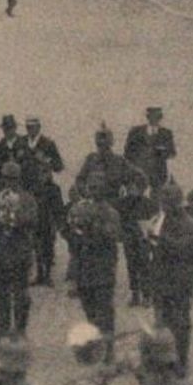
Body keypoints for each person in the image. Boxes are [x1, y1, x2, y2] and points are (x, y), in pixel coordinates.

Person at [76, 125, 153, 308]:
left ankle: (141, 292)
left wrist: (133, 194)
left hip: (118, 210)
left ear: (111, 144)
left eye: (106, 144)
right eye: (99, 144)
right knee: (88, 248)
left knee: (135, 250)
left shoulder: (119, 162)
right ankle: (90, 288)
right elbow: (79, 180)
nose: (102, 148)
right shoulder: (90, 160)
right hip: (95, 211)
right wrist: (85, 193)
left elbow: (141, 178)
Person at [148, 183, 193, 376]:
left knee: (180, 323)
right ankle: (163, 360)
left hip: (180, 280)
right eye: (163, 202)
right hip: (161, 278)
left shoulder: (190, 224)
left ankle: (181, 361)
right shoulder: (162, 220)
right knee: (161, 320)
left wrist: (161, 238)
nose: (164, 206)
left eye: (168, 202)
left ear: (177, 202)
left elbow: (184, 248)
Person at [0, 160, 39, 341]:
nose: (9, 182)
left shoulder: (27, 198)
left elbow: (33, 220)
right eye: (6, 178)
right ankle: (3, 329)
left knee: (21, 293)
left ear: (19, 179)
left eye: (13, 179)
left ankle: (20, 330)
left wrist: (15, 218)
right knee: (1, 292)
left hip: (19, 249)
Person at [63, 179, 121, 338]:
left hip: (102, 266)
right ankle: (96, 340)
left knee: (104, 309)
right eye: (91, 188)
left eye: (97, 188)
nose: (93, 192)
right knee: (88, 306)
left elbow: (112, 236)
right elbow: (72, 237)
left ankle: (108, 346)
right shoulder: (81, 209)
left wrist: (94, 226)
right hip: (84, 266)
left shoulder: (110, 213)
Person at [22, 117, 65, 286]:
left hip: (45, 192)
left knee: (46, 233)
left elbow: (59, 166)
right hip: (28, 190)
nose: (30, 130)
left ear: (39, 127)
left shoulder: (48, 144)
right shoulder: (22, 143)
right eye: (28, 127)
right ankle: (38, 271)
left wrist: (46, 161)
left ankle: (47, 273)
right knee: (32, 234)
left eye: (33, 127)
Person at [124, 106, 176, 191]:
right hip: (139, 173)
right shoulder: (135, 131)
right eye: (152, 115)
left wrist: (160, 152)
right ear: (147, 117)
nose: (154, 119)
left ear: (160, 117)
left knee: (157, 197)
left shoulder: (166, 133)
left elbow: (172, 152)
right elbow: (127, 153)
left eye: (157, 116)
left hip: (158, 174)